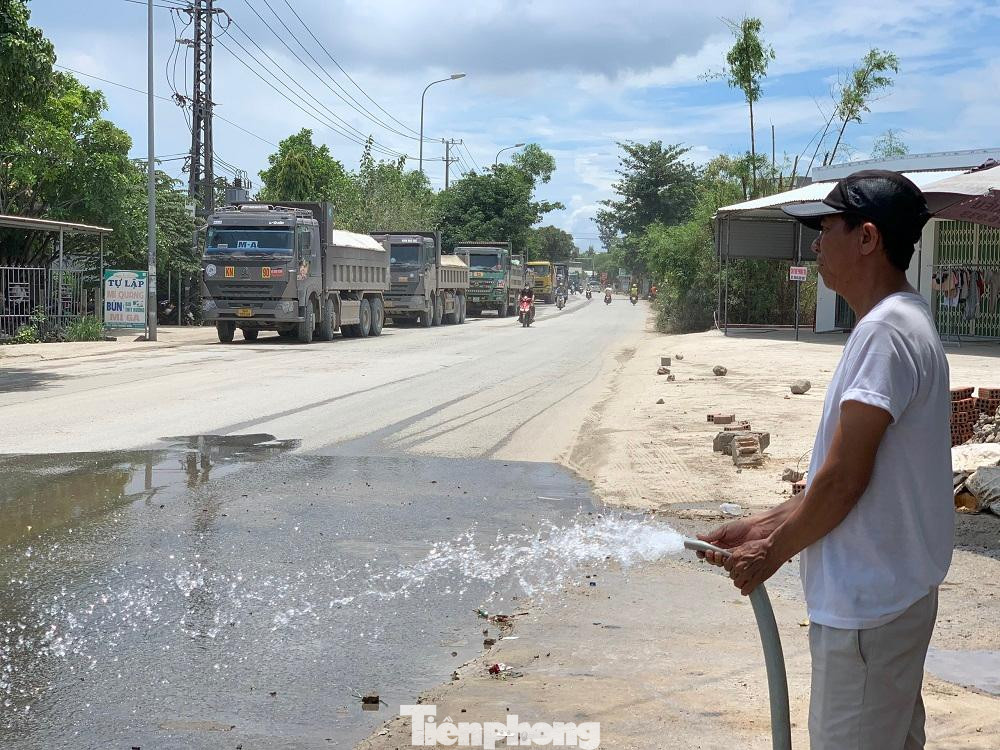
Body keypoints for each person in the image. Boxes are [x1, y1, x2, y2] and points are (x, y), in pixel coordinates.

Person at [698, 170, 951, 750]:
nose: (815, 243)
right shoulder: (897, 323)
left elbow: (843, 483)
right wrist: (761, 524)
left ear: (867, 238)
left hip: (867, 610)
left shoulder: (886, 332)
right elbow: (848, 477)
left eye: (825, 228)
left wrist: (772, 553)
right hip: (891, 600)